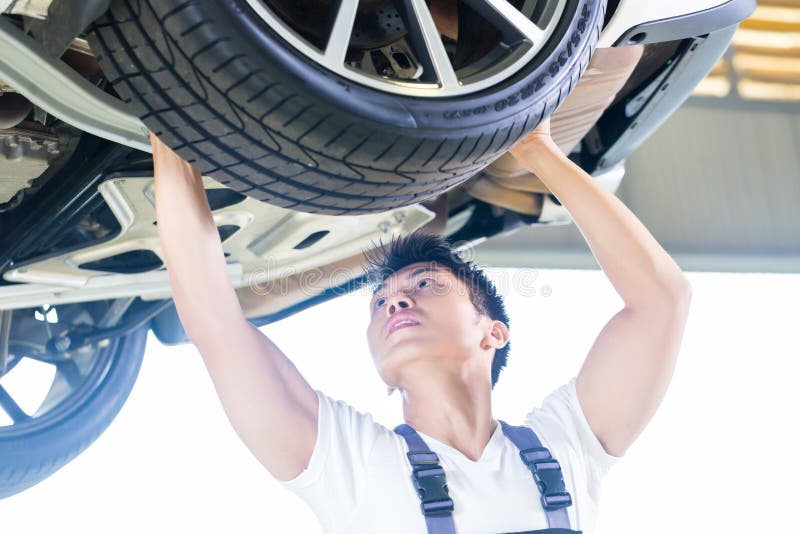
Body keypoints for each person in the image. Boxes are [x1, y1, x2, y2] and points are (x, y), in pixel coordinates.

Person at [150, 116, 692, 533]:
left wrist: (537, 152)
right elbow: (216, 319)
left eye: (424, 285)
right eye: (382, 299)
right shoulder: (351, 457)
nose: (393, 303)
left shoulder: (564, 449)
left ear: (492, 333)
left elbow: (662, 299)